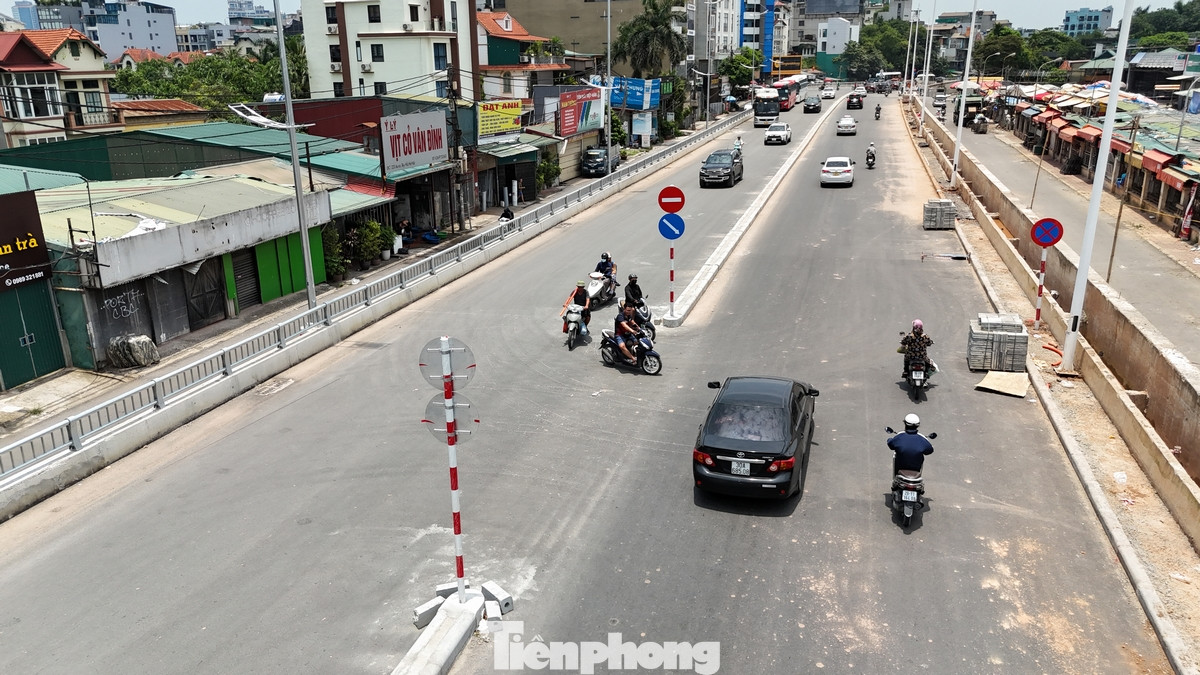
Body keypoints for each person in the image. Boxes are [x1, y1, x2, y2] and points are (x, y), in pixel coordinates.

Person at [887, 414, 934, 486]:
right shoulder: (922, 440)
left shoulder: (899, 437)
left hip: (900, 468)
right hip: (916, 470)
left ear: (905, 424)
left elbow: (891, 445)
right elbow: (929, 450)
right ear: (918, 426)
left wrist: (889, 440)